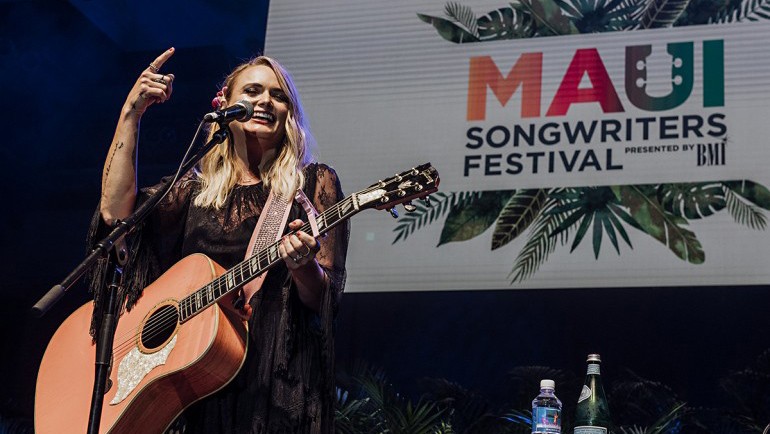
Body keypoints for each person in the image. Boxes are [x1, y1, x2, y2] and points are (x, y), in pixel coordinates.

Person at [88, 47, 349, 433]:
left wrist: (302, 265)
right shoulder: (192, 192)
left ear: (289, 116)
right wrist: (132, 113)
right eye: (253, 91)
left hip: (271, 388)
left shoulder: (310, 185)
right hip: (193, 385)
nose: (265, 101)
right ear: (223, 104)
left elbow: (324, 298)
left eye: (278, 96)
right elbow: (115, 215)